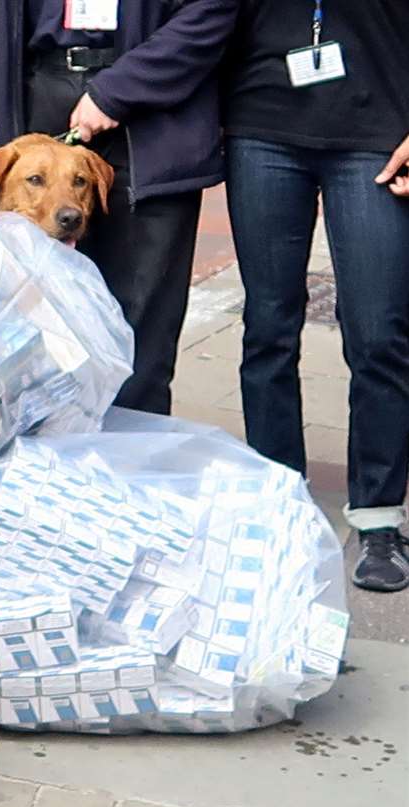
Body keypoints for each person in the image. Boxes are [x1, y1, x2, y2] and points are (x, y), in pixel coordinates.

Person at [0, 0, 236, 415]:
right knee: (36, 326)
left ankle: (129, 465)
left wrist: (116, 90)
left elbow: (212, 10)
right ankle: (54, 467)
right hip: (41, 101)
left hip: (154, 112)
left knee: (142, 331)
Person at [222, 1, 409, 592]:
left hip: (379, 132)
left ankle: (378, 517)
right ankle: (279, 495)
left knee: (380, 333)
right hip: (263, 126)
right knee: (268, 328)